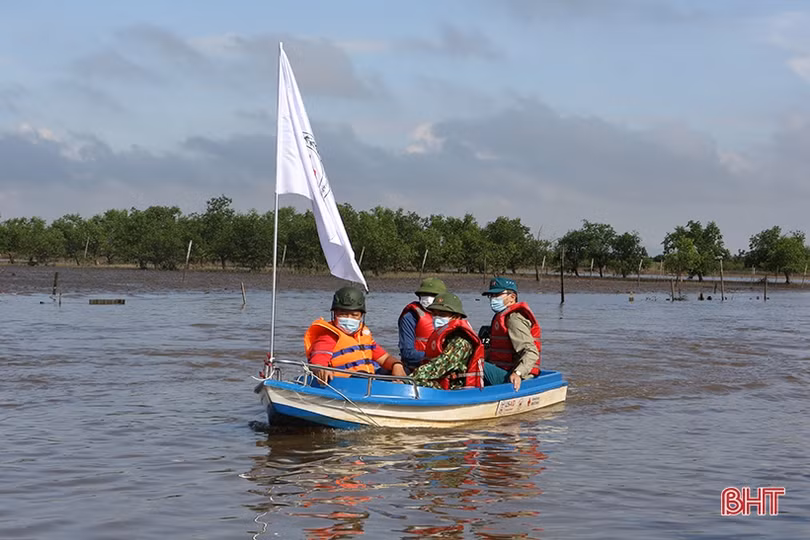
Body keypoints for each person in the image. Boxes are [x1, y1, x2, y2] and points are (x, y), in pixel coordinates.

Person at [304, 286, 407, 383]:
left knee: (400, 369)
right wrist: (321, 369)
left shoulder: (363, 336)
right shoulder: (328, 337)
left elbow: (384, 358)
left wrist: (397, 365)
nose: (349, 318)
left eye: (354, 315)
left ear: (361, 316)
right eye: (343, 314)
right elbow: (318, 361)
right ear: (335, 314)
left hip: (368, 382)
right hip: (344, 384)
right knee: (362, 376)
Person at [410, 293, 484, 390]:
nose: (437, 318)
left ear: (456, 316)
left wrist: (409, 379)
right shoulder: (444, 337)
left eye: (442, 315)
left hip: (454, 388)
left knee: (416, 381)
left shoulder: (461, 341)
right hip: (440, 382)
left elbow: (441, 365)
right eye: (434, 314)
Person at [481, 277, 542, 391]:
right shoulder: (501, 316)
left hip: (516, 376)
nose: (493, 299)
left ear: (512, 297)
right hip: (503, 369)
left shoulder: (514, 319)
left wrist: (517, 373)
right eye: (491, 296)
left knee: (478, 364)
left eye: (497, 295)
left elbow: (532, 352)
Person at [398, 277, 448, 371]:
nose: (428, 298)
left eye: (433, 295)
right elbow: (407, 353)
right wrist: (438, 356)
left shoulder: (450, 316)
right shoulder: (410, 317)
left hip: (444, 366)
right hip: (417, 368)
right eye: (424, 294)